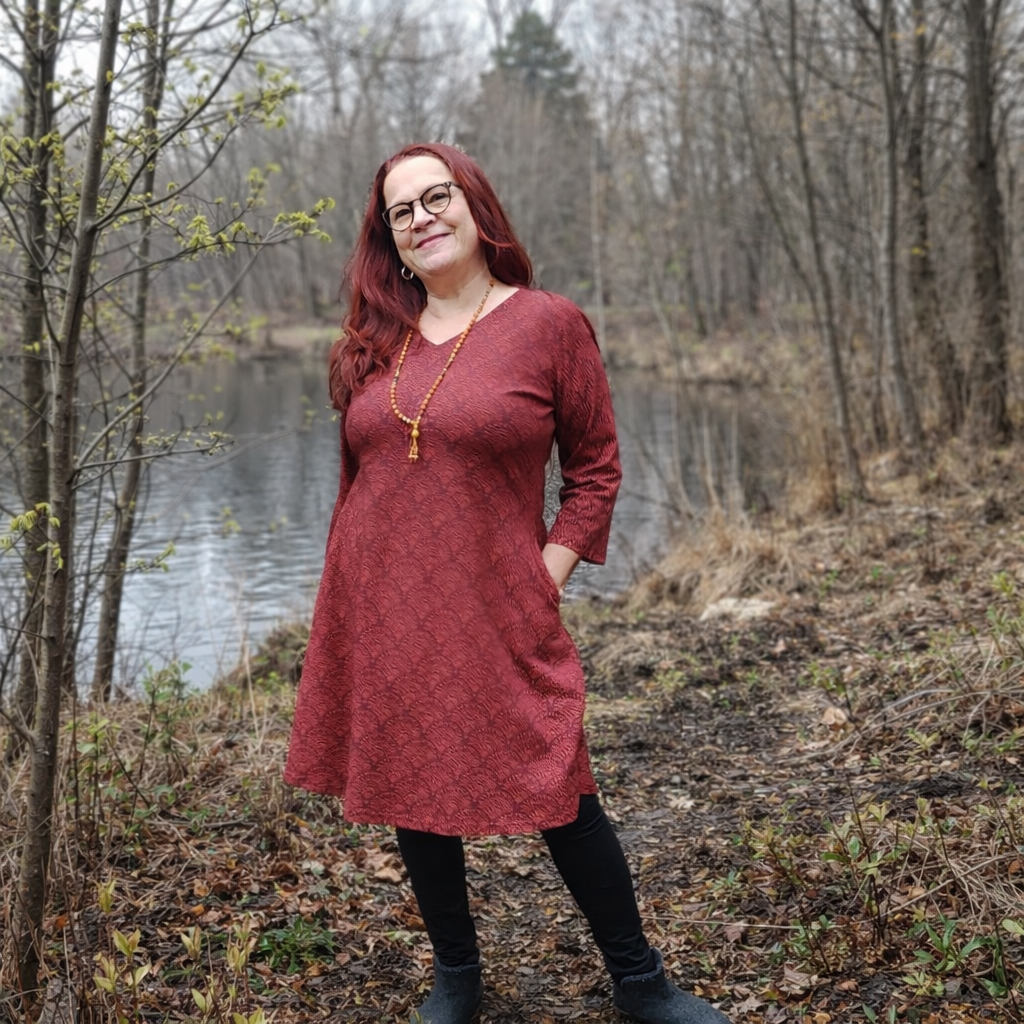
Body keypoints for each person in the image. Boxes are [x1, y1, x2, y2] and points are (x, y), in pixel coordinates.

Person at [284, 142, 730, 1024]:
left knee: (559, 779)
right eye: (400, 212)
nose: (421, 219)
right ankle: (457, 977)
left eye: (435, 197)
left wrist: (544, 575)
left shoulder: (548, 324)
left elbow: (595, 471)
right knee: (414, 785)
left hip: (498, 605)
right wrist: (345, 604)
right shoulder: (374, 344)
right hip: (384, 605)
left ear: (475, 205)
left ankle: (641, 981)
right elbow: (358, 483)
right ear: (389, 241)